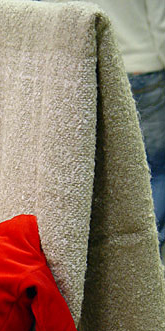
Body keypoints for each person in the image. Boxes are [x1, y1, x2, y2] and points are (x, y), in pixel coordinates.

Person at [79, 0, 165, 253]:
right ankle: (146, 251)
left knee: (106, 169)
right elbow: (160, 23)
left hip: (95, 66)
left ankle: (113, 252)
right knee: (155, 169)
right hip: (143, 68)